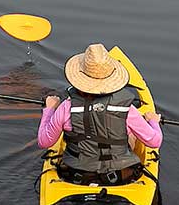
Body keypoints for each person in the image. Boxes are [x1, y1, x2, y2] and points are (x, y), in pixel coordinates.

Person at [38, 43, 163, 181]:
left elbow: (44, 142)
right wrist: (153, 121)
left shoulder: (66, 107)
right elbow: (155, 142)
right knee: (131, 135)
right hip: (119, 175)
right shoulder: (127, 110)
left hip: (77, 175)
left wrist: (49, 110)